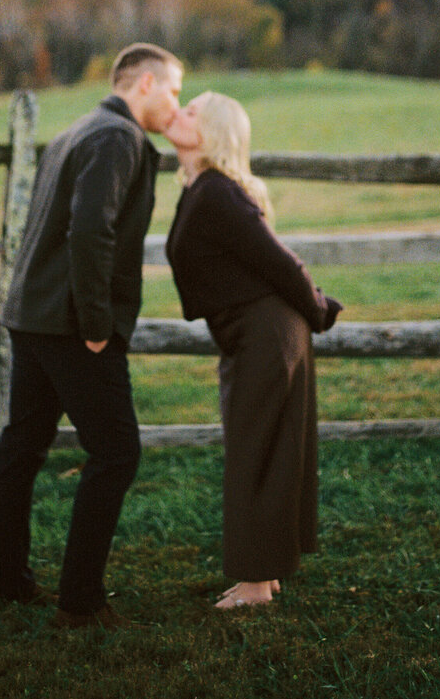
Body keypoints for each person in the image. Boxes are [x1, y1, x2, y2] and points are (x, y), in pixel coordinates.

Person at [0, 43, 183, 628]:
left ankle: (10, 583)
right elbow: (89, 233)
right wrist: (97, 327)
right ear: (144, 83)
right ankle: (80, 601)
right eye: (173, 89)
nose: (175, 103)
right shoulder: (116, 138)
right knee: (118, 451)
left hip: (33, 315)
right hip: (72, 324)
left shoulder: (80, 128)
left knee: (21, 446)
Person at [164, 92, 342, 609]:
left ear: (213, 132)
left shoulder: (219, 192)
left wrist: (318, 310)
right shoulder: (201, 187)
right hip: (254, 331)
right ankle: (267, 571)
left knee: (257, 451)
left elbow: (282, 262)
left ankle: (256, 584)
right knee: (263, 447)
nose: (178, 113)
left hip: (268, 331)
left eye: (191, 111)